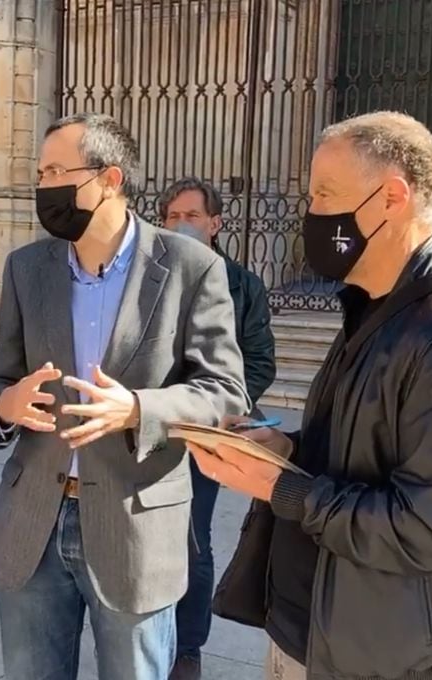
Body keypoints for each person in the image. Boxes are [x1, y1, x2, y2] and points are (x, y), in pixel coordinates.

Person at [188, 111, 432, 680]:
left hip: (374, 657)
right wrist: (284, 449)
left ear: (391, 198)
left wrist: (282, 487)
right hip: (311, 630)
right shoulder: (374, 309)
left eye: (325, 194)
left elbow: (431, 527)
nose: (312, 213)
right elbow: (357, 454)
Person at [0, 113, 249, 680]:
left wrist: (138, 410)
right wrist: (5, 406)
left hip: (134, 526)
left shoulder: (189, 267)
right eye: (40, 172)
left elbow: (225, 393)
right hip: (33, 523)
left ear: (110, 179)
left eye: (58, 171)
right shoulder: (28, 268)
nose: (44, 184)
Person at [158, 177, 277, 680]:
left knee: (191, 538)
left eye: (191, 216)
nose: (181, 225)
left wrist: (224, 406)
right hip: (148, 425)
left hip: (204, 433)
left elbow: (259, 361)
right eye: (172, 217)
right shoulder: (149, 275)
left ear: (215, 223)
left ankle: (188, 645)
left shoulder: (242, 286)